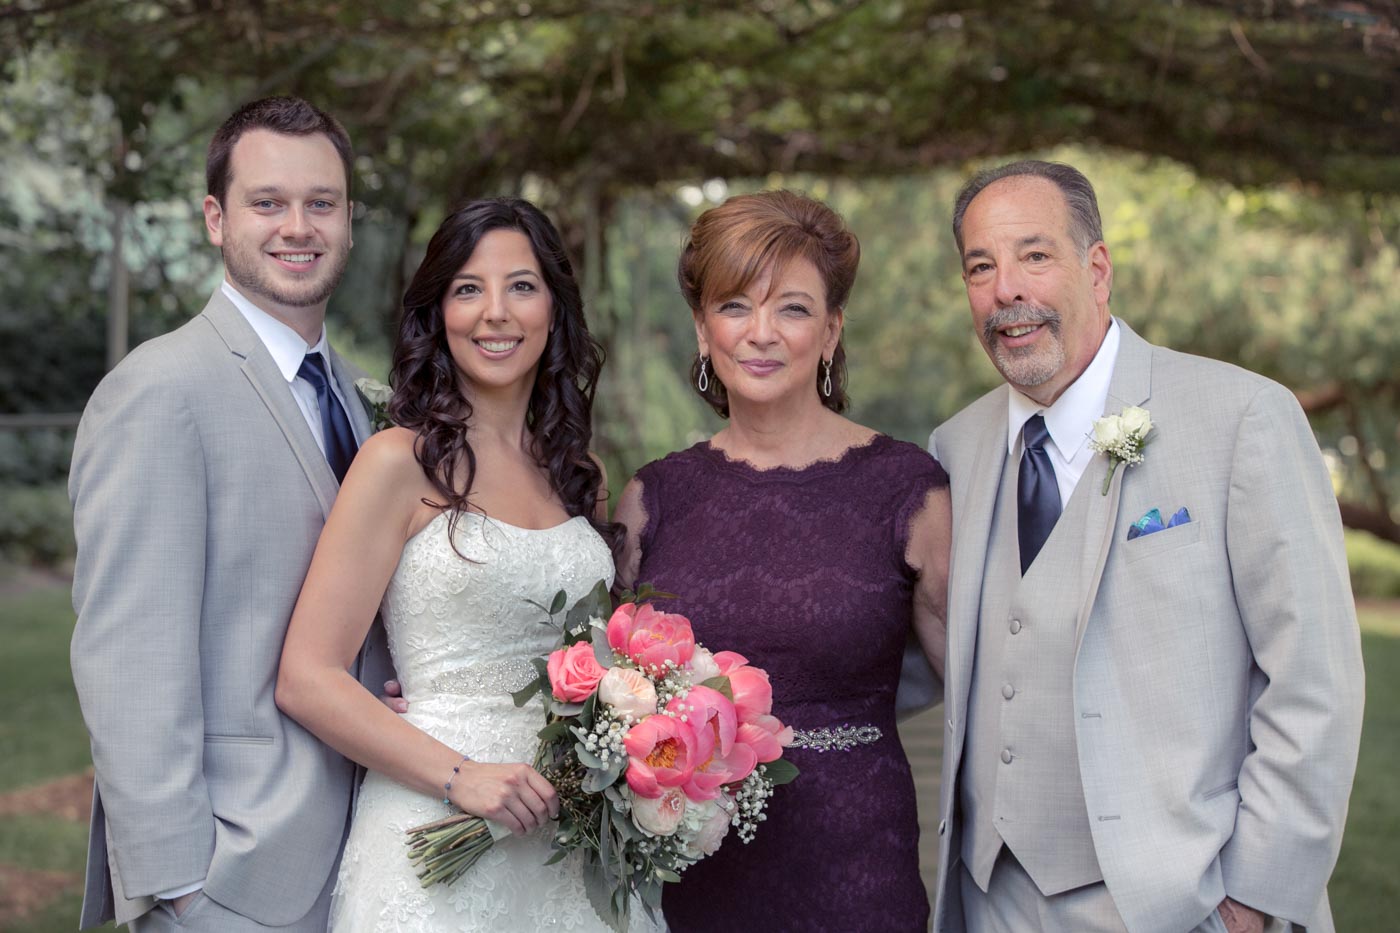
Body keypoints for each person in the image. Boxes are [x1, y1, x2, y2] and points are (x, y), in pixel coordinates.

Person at [928, 160, 1366, 933]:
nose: (1006, 290)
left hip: (1179, 904)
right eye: (980, 266)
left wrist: (1252, 899)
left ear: (1097, 270)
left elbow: (1314, 681)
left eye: (1035, 255)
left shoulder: (1242, 418)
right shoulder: (955, 448)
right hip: (989, 898)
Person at [275, 198, 647, 932]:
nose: (495, 313)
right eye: (468, 288)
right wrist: (460, 777)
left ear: (554, 309)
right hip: (434, 827)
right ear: (438, 312)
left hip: (565, 838)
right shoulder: (399, 463)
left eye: (521, 286)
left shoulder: (579, 473)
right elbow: (306, 677)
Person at [68, 96, 394, 931]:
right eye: (267, 202)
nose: (298, 225)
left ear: (349, 222)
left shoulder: (369, 401)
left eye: (321, 203)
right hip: (233, 877)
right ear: (216, 218)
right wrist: (178, 887)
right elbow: (128, 657)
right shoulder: (158, 393)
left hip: (377, 857)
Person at [614, 189, 952, 931]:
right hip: (699, 876)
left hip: (860, 872)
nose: (761, 333)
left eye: (793, 309)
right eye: (735, 306)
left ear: (831, 331)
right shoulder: (652, 498)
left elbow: (997, 699)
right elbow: (602, 694)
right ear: (703, 329)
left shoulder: (908, 490)